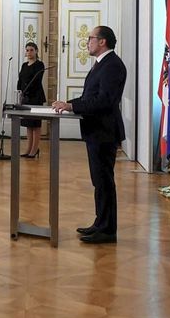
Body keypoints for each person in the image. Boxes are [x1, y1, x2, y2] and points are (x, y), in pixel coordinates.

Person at [53, 26, 126, 245]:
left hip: (104, 131)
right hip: (96, 131)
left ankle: (107, 230)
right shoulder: (101, 64)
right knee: (99, 181)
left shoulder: (112, 65)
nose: (87, 42)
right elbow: (90, 96)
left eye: (90, 38)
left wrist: (71, 107)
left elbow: (104, 101)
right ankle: (100, 223)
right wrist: (70, 104)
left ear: (102, 41)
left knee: (104, 182)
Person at [17, 42, 46, 159]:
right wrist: (19, 91)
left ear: (36, 51)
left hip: (35, 97)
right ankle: (28, 149)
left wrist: (27, 91)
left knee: (35, 125)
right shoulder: (24, 65)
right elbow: (20, 79)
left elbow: (37, 80)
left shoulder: (40, 65)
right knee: (28, 125)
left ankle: (34, 150)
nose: (29, 52)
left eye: (31, 50)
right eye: (27, 50)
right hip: (25, 98)